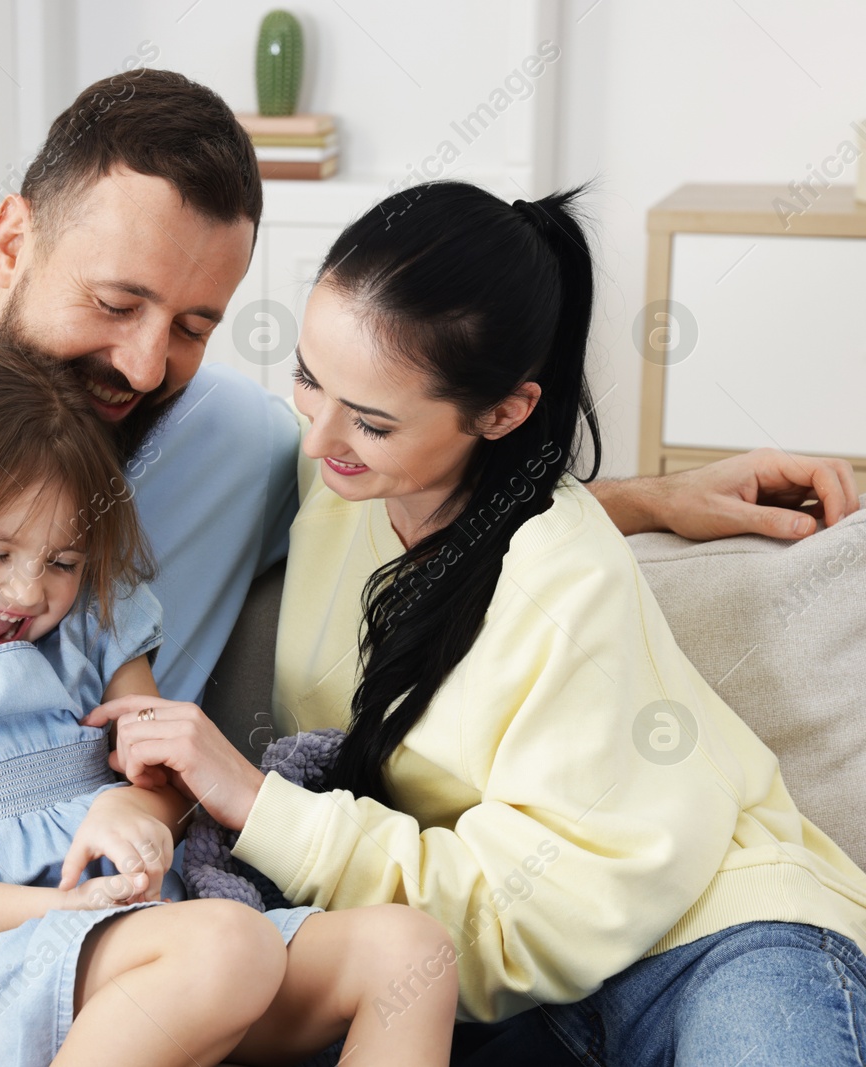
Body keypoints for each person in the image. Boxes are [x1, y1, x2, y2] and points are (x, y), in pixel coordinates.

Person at [0, 70, 860, 1067]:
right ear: (11, 239)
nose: (148, 364)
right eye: (118, 302)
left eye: (197, 322)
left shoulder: (230, 442)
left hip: (114, 946)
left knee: (394, 955)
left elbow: (413, 488)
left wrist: (648, 496)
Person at [89, 180, 866, 1066]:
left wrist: (258, 803)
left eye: (372, 422)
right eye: (309, 377)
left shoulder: (564, 577)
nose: (318, 437)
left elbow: (521, 917)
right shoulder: (345, 483)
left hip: (711, 944)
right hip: (508, 1004)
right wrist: (652, 496)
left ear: (503, 413)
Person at [0, 345, 456, 1066]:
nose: (24, 593)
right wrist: (57, 909)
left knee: (410, 949)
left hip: (167, 946)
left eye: (62, 563)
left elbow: (163, 779)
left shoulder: (94, 625)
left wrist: (134, 813)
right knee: (231, 943)